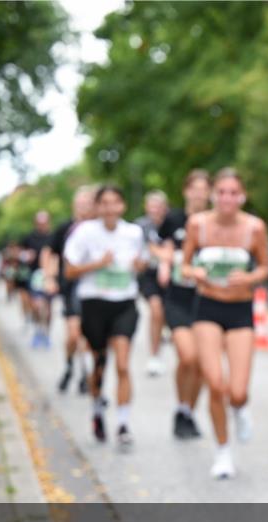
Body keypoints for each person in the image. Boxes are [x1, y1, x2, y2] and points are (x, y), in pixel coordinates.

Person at [181, 168, 268, 479]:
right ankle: (222, 452)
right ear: (213, 195)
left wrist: (248, 277)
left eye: (233, 192)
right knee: (215, 384)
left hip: (240, 310)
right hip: (207, 308)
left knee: (237, 391)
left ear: (241, 196)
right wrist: (196, 273)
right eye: (221, 192)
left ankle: (241, 408)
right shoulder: (197, 225)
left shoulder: (254, 228)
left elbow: (264, 268)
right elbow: (184, 265)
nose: (227, 198)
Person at [64, 185, 148, 449]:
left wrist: (139, 265)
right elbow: (69, 271)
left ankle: (123, 424)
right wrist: (98, 264)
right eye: (105, 203)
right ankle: (98, 411)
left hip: (124, 303)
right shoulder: (85, 233)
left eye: (116, 203)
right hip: (94, 303)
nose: (110, 208)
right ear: (97, 207)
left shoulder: (133, 232)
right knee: (99, 364)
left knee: (123, 364)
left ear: (122, 206)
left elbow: (143, 262)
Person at [156, 169, 211, 440]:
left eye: (204, 189)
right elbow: (157, 246)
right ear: (186, 191)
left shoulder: (213, 222)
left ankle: (188, 412)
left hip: (205, 299)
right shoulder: (174, 219)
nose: (199, 193)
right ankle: (180, 406)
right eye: (195, 188)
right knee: (187, 356)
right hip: (177, 296)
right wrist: (167, 262)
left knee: (201, 363)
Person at [43, 186, 98, 394]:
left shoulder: (97, 229)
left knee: (88, 337)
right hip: (71, 287)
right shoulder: (65, 228)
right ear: (75, 205)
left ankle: (86, 375)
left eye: (88, 202)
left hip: (94, 287)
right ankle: (69, 366)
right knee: (74, 335)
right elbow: (50, 253)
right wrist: (48, 277)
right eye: (81, 202)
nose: (84, 206)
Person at [135, 190, 170, 377]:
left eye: (159, 206)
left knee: (164, 314)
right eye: (152, 206)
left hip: (172, 275)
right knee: (156, 309)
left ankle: (162, 333)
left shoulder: (172, 224)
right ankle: (154, 357)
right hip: (149, 275)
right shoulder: (140, 226)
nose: (156, 210)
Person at [21, 210, 54, 348]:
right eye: (39, 223)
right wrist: (27, 256)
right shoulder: (29, 238)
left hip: (49, 276)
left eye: (44, 222)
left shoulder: (53, 237)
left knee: (48, 307)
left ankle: (46, 333)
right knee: (36, 305)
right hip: (34, 276)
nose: (42, 225)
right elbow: (20, 254)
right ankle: (37, 330)